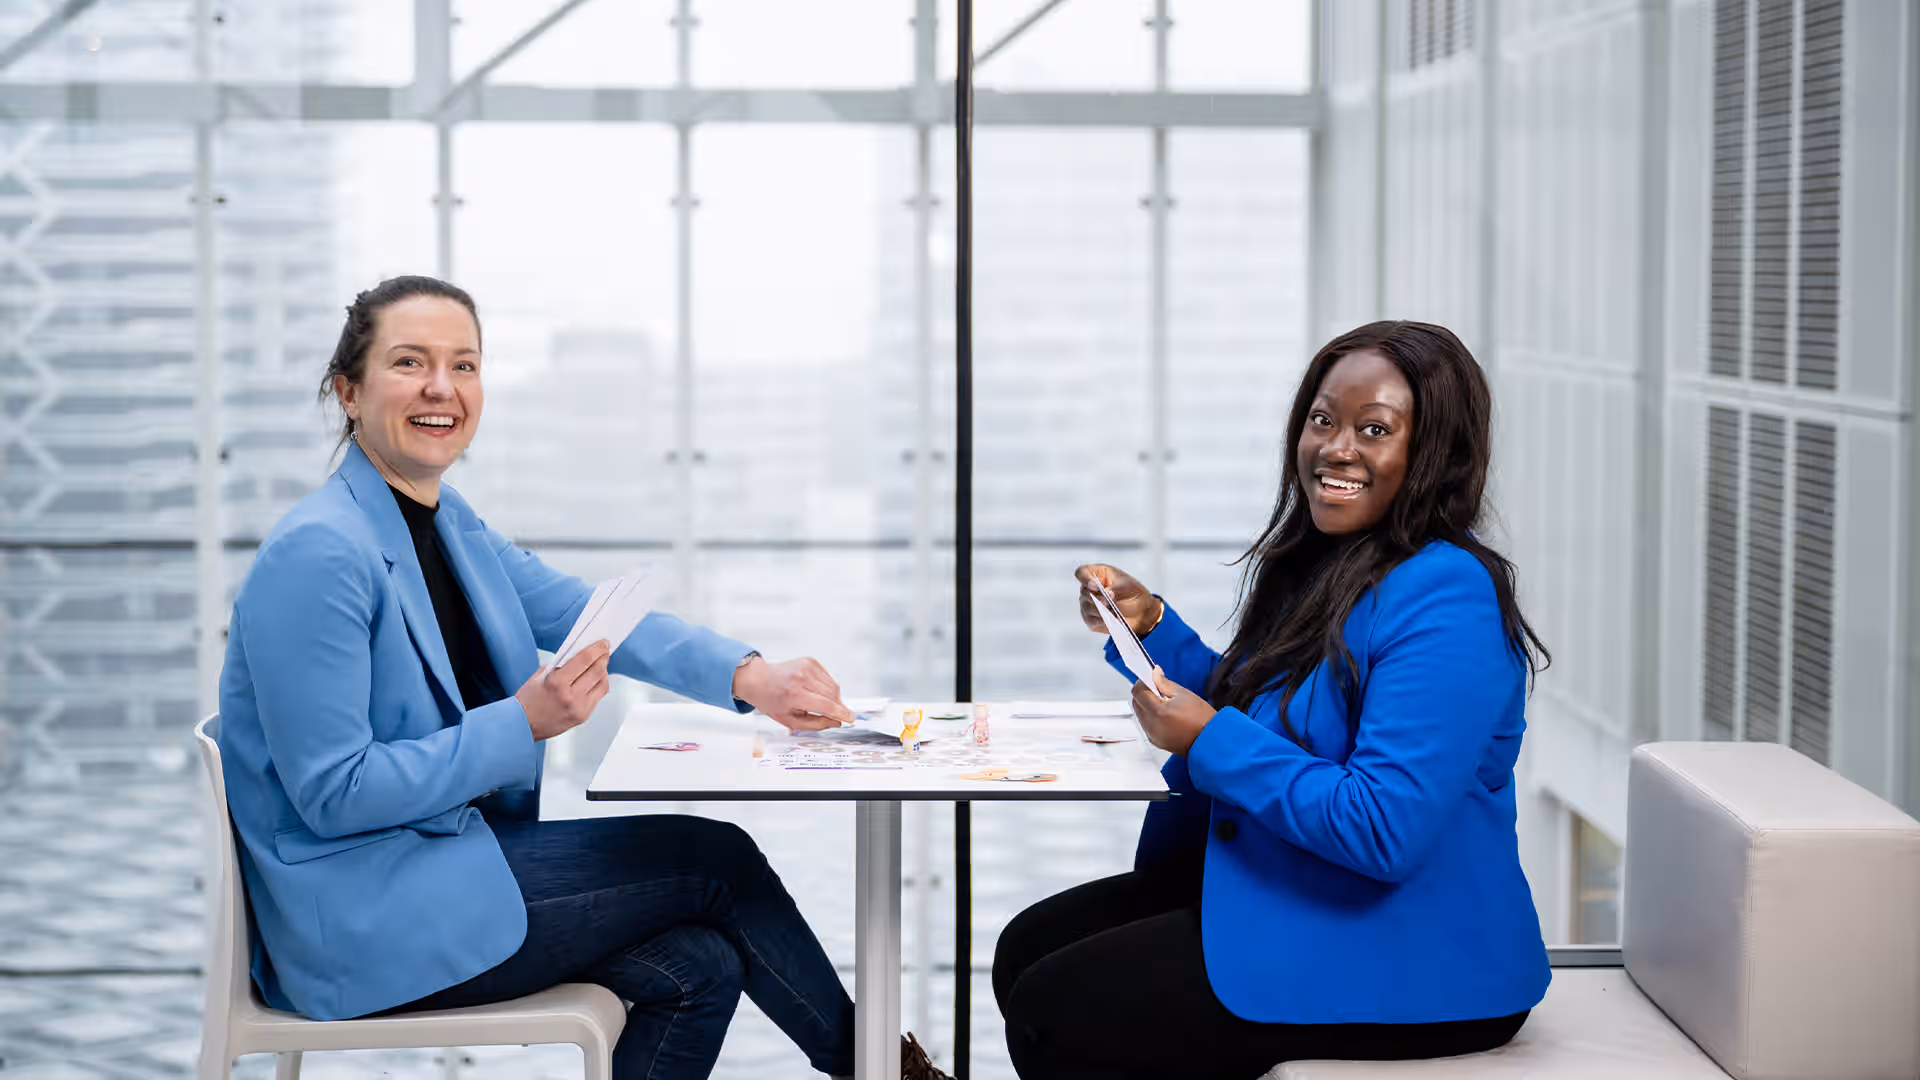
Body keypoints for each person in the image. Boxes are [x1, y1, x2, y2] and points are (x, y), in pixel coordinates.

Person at [217, 276, 949, 1080]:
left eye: (464, 365)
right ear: (348, 392)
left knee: (699, 965)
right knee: (716, 860)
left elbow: (582, 612)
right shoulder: (320, 553)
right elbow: (335, 793)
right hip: (361, 919)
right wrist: (521, 723)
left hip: (435, 867)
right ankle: (890, 1074)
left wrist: (752, 676)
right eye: (409, 363)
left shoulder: (442, 521)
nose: (442, 388)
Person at [992, 321, 1552, 1079]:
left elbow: (1384, 825)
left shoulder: (1448, 594)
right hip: (1313, 889)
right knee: (1024, 948)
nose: (1336, 448)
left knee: (1055, 1013)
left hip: (1417, 953)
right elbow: (1267, 706)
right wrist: (1151, 627)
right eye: (1323, 419)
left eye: (1374, 429)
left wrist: (1207, 740)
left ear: (1437, 456)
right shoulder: (1331, 561)